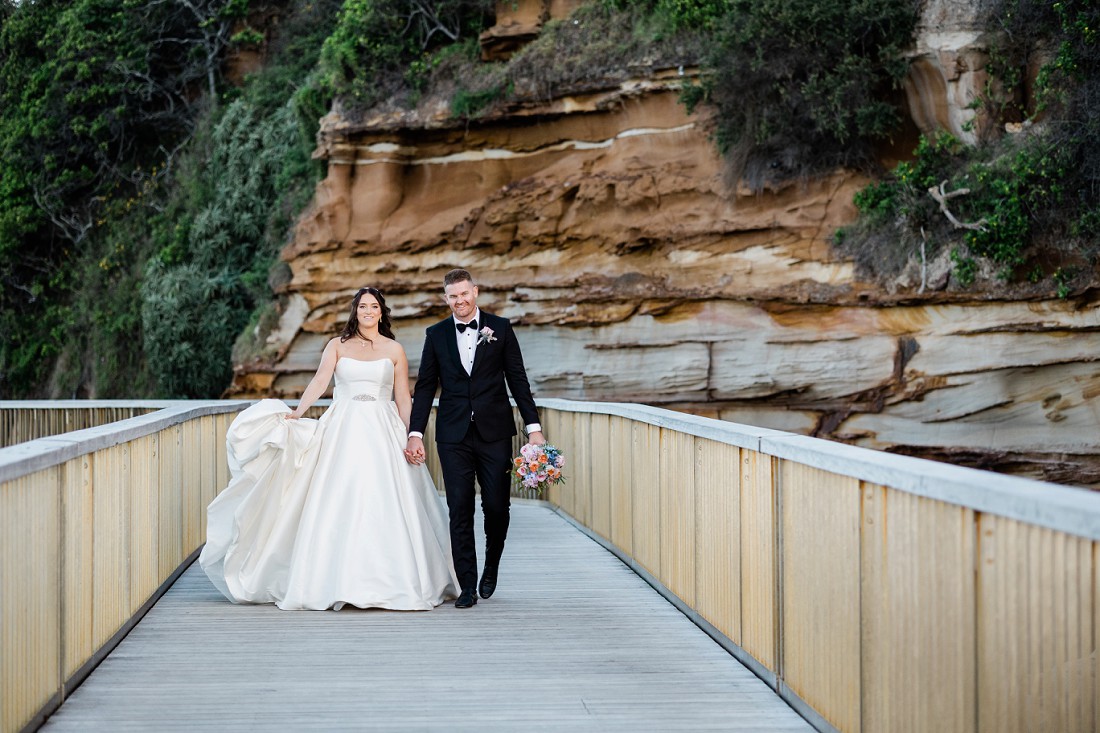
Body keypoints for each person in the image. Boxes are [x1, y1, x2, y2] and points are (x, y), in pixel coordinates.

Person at [200, 286, 459, 611]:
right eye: (362, 306)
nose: (368, 311)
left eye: (373, 306)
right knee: (338, 496)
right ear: (355, 311)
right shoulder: (337, 345)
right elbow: (321, 381)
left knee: (387, 497)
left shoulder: (394, 350)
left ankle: (393, 580)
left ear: (382, 312)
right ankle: (332, 580)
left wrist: (413, 436)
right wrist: (298, 411)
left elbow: (403, 397)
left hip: (383, 427)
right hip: (343, 427)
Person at [405, 268, 544, 609]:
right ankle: (466, 584)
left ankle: (492, 564)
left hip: (495, 432)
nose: (460, 301)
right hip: (452, 436)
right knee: (459, 509)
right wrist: (414, 432)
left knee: (497, 507)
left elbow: (518, 380)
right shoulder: (435, 334)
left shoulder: (501, 328)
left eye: (464, 294)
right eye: (453, 296)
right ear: (446, 299)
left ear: (475, 292)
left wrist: (534, 428)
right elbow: (425, 387)